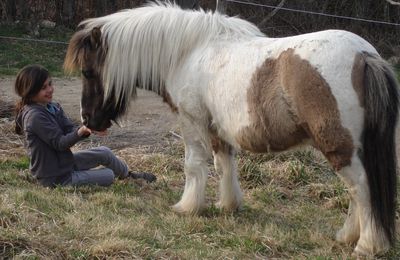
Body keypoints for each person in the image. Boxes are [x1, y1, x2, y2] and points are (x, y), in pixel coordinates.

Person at [14, 64, 156, 188]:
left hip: (65, 164)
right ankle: (94, 175)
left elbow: (69, 128)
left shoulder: (53, 107)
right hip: (55, 177)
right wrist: (80, 131)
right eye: (43, 88)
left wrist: (89, 128)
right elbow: (60, 143)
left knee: (104, 152)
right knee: (109, 174)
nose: (50, 89)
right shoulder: (35, 117)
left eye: (50, 84)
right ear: (30, 92)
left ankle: (128, 175)